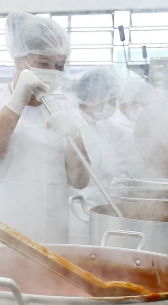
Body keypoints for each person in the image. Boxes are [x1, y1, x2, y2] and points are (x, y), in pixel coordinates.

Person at [0, 12, 91, 249]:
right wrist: (17, 102)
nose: (53, 71)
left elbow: (81, 180)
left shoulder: (64, 109)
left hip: (47, 243)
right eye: (43, 63)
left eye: (60, 65)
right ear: (19, 60)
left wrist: (75, 137)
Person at [63, 67, 139, 243]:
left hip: (104, 216)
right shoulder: (73, 125)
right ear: (92, 98)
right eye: (111, 100)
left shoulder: (105, 126)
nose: (114, 106)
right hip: (79, 218)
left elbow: (137, 142)